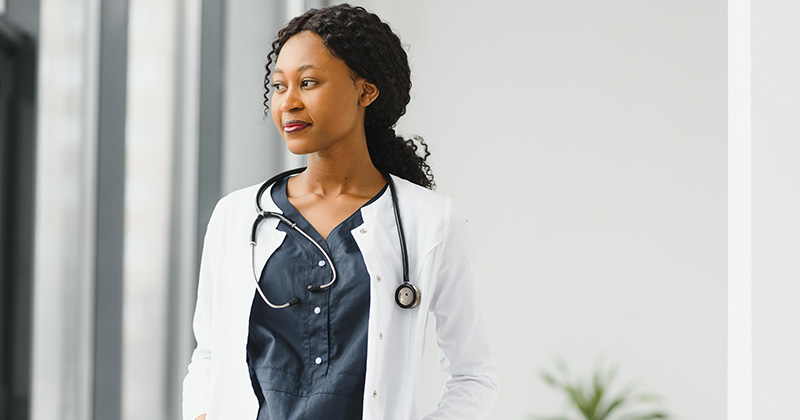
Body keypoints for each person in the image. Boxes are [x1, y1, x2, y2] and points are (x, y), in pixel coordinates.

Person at [182, 4, 498, 419]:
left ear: (365, 91)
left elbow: (473, 375)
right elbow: (208, 354)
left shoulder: (430, 222)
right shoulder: (236, 215)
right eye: (279, 86)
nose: (288, 102)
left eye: (308, 82)